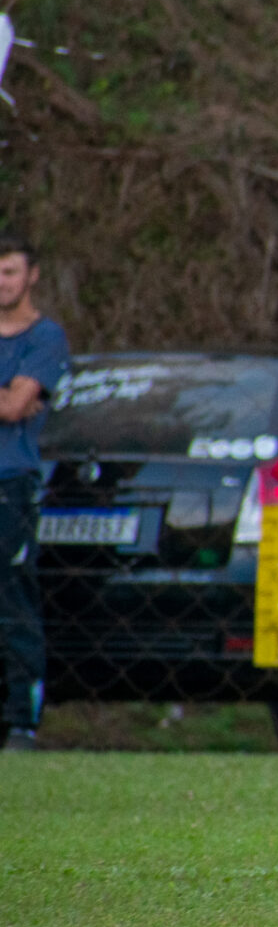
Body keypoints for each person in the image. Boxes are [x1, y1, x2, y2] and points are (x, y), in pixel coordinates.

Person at [0, 235, 68, 753]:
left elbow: (14, 407)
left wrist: (14, 397)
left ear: (31, 276)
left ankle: (22, 720)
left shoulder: (45, 338)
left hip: (10, 483)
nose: (2, 282)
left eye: (9, 271)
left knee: (12, 599)